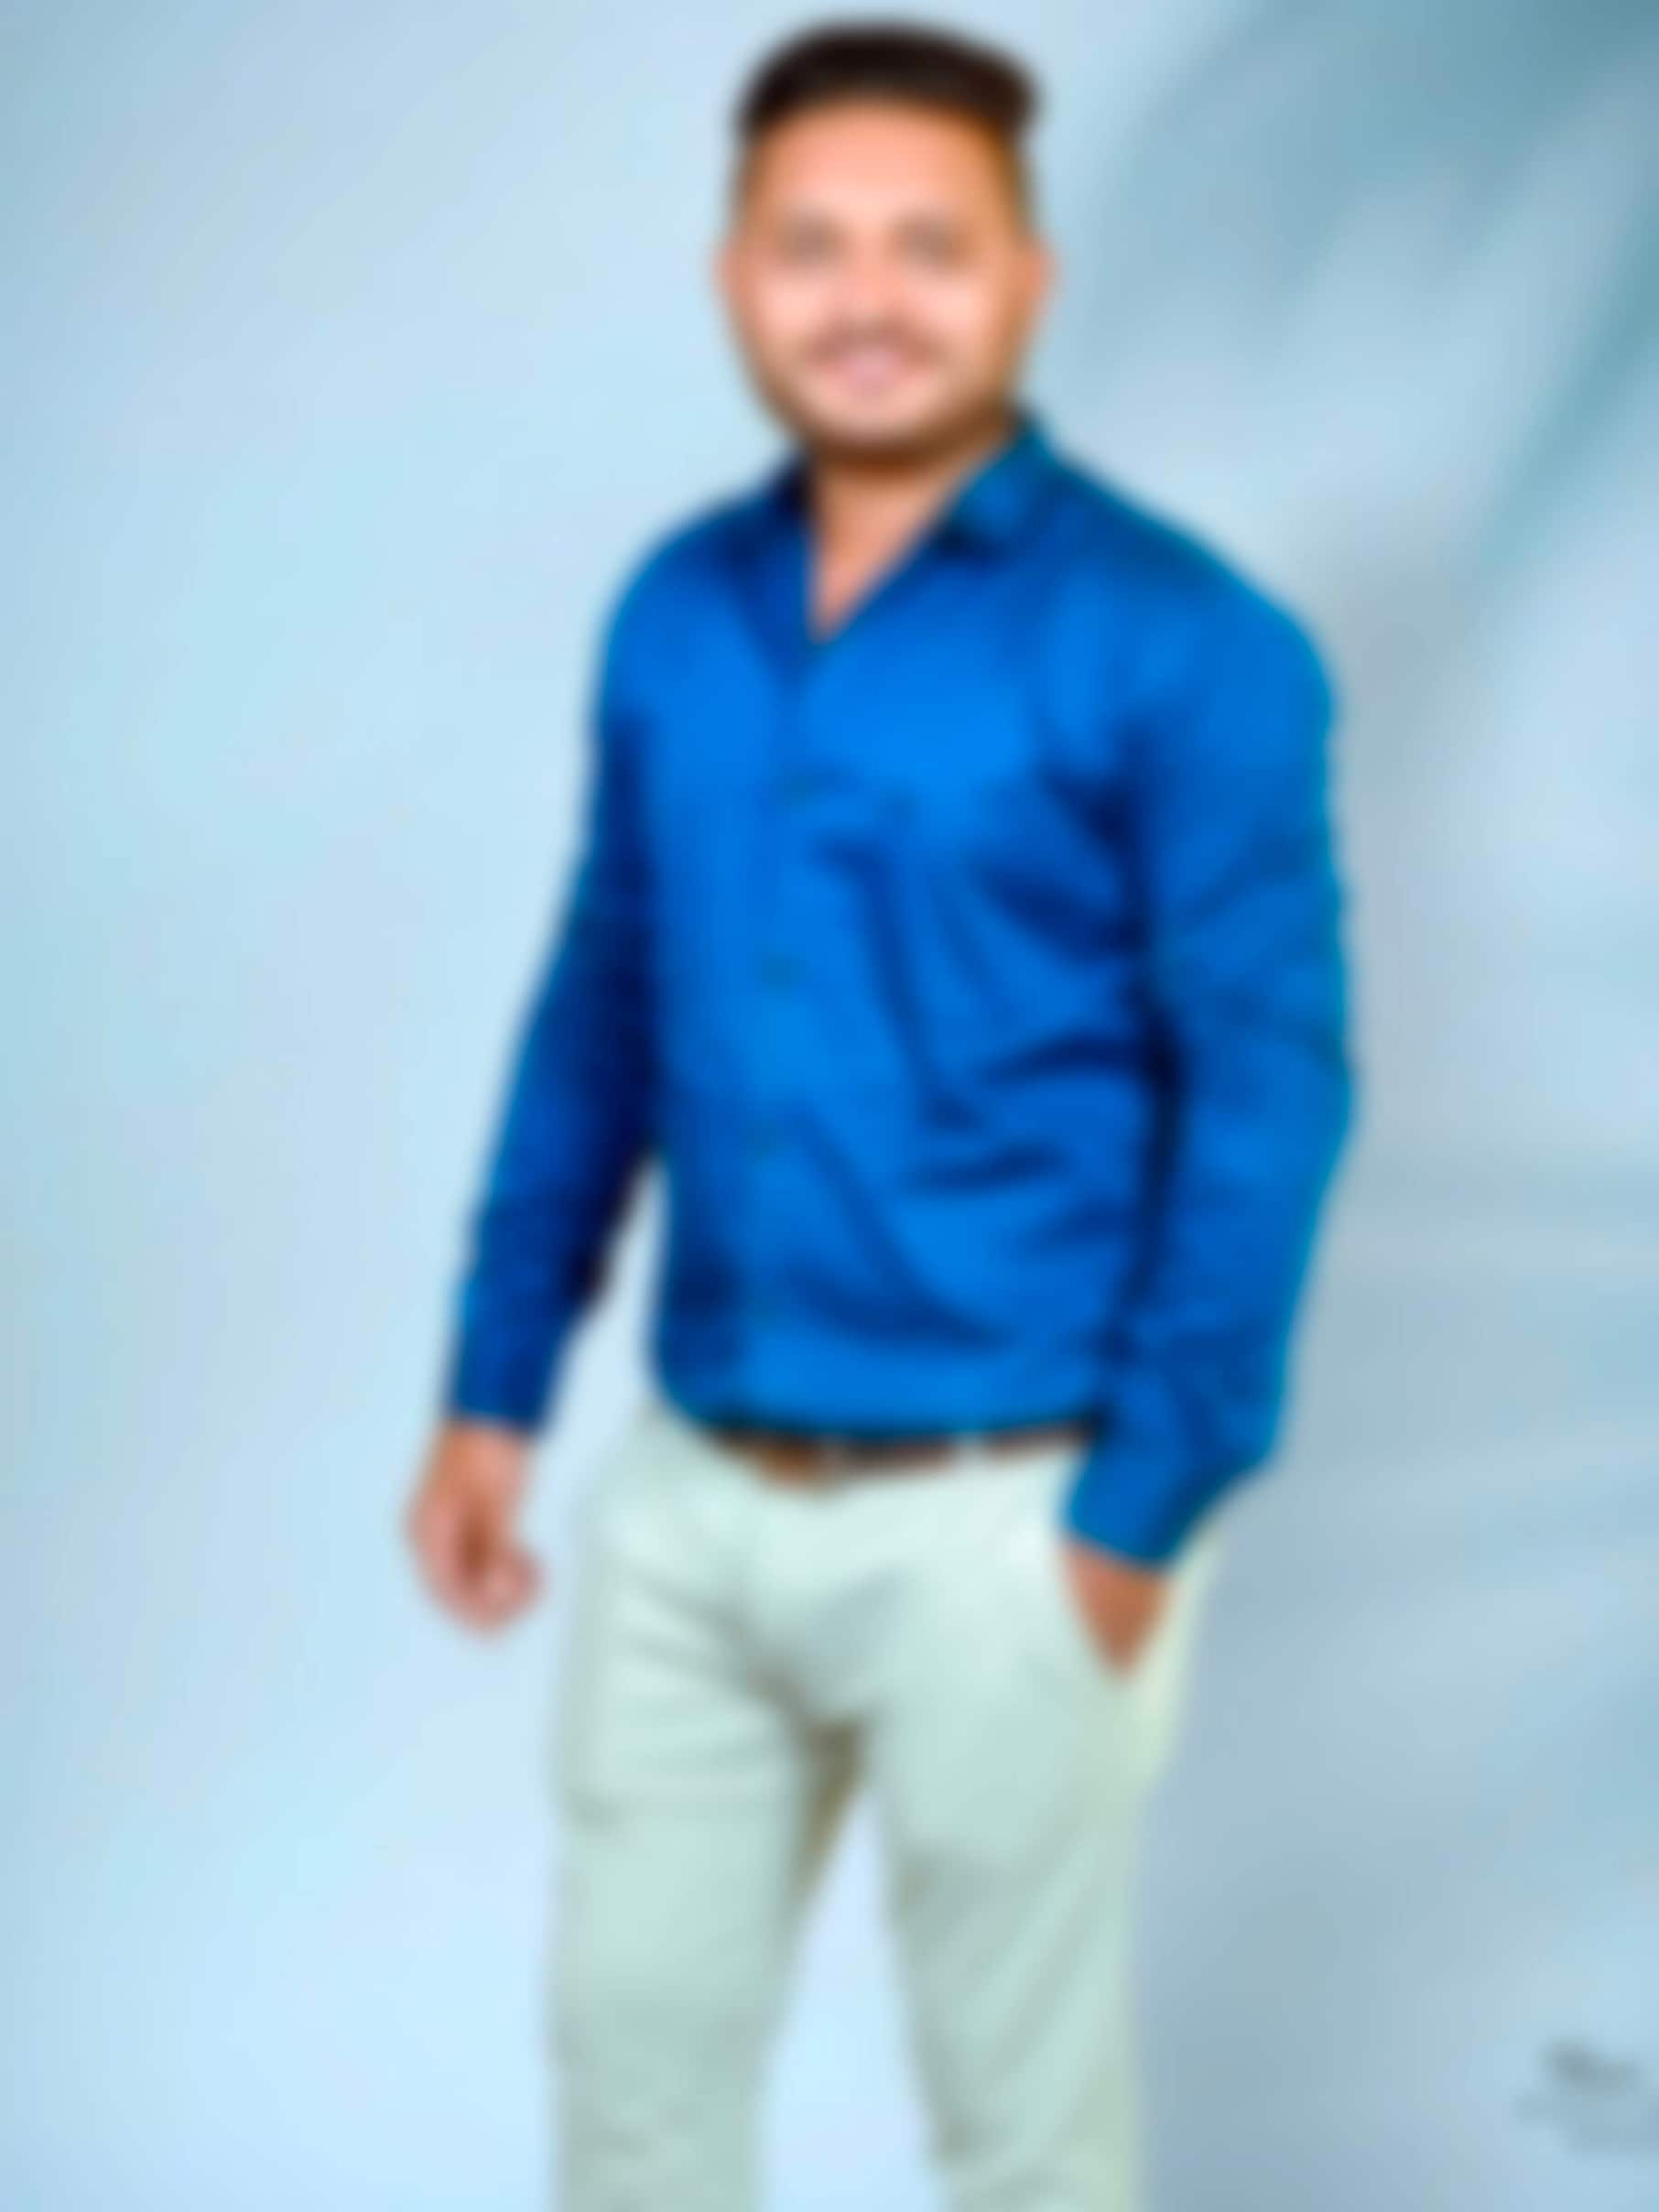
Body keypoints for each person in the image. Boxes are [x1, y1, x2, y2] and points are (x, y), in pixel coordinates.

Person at [405, 19, 1357, 2209]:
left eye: (929, 245)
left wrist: (1138, 1512)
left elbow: (1271, 1093)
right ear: (733, 275)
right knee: (633, 2098)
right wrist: (494, 1386)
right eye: (811, 244)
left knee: (1021, 2142)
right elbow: (603, 1001)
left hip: (1006, 1514)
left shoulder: (1187, 642)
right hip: (695, 1500)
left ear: (1026, 276)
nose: (867, 299)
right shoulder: (676, 610)